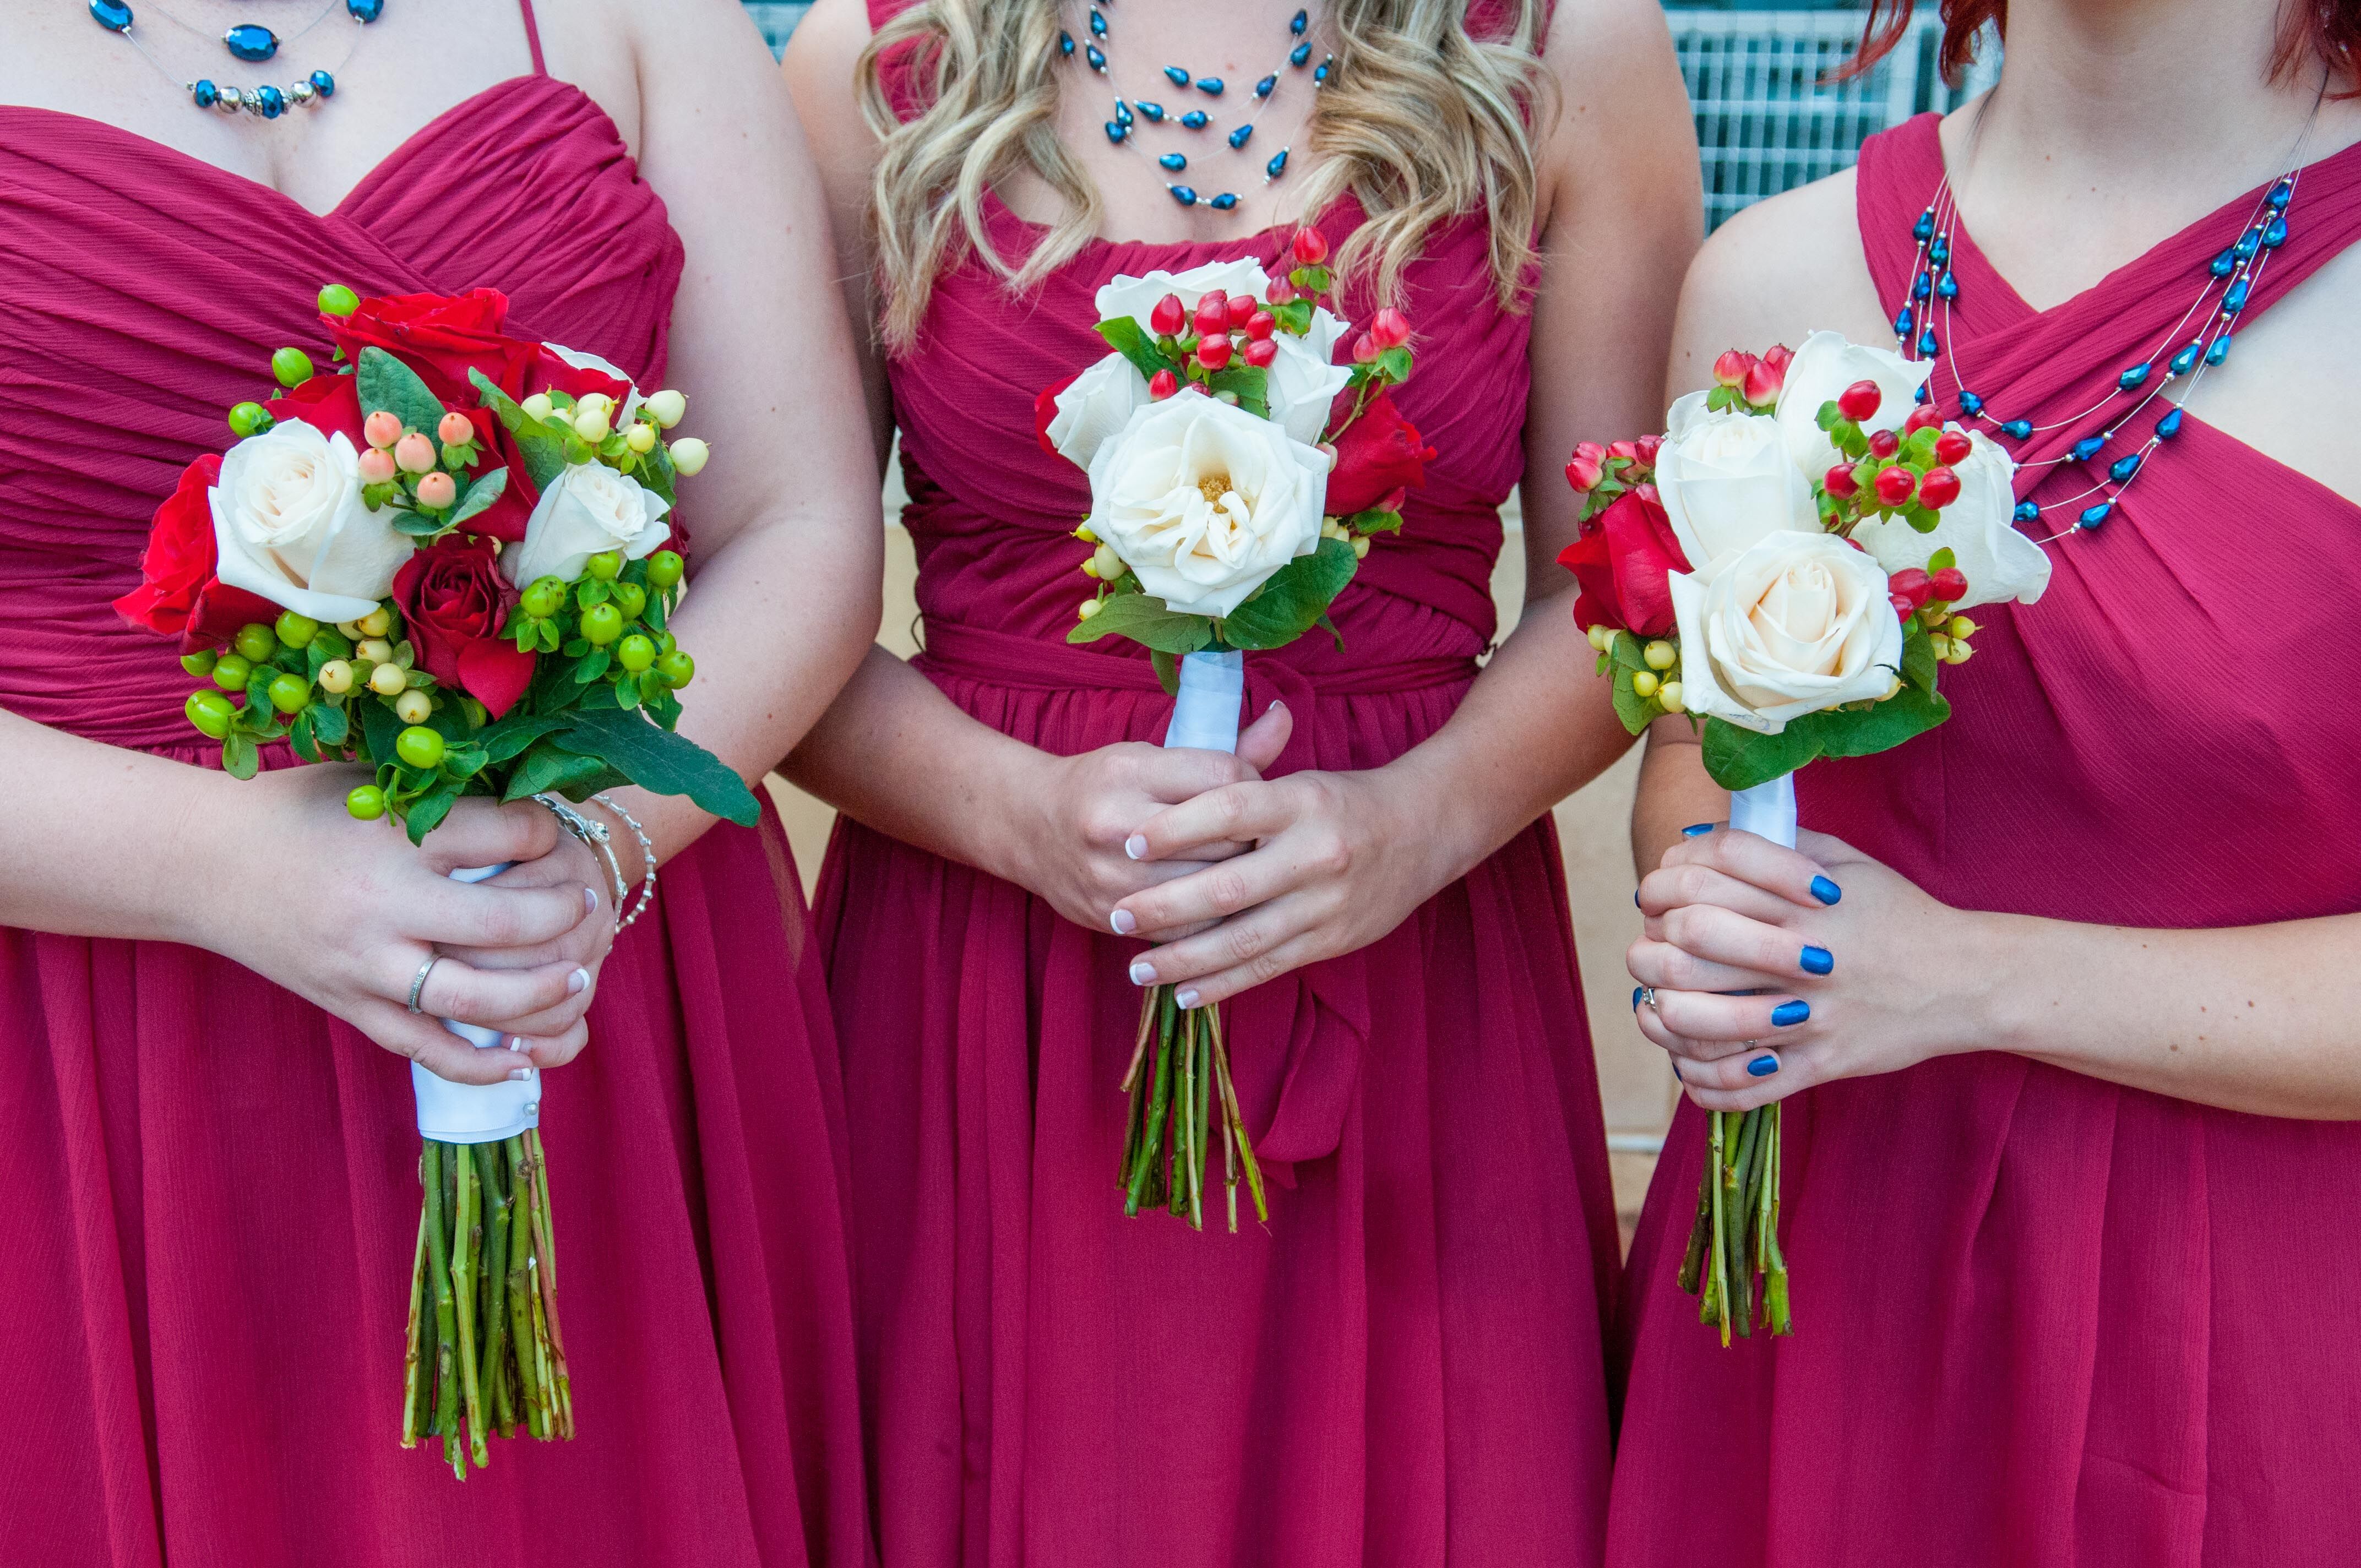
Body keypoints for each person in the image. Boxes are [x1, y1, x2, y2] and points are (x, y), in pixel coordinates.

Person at [780, 0, 1696, 1560]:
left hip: (1413, 968)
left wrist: (1419, 821)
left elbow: (1618, 586)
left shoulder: (1570, 43)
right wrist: (1014, 811)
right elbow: (767, 610)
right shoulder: (872, 55)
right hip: (981, 987)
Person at [0, 1, 879, 1562]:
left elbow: (801, 526)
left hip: (585, 992)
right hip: (98, 1039)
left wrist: (593, 848)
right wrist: (223, 868)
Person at [1610, 0, 2361, 1560]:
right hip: (1806, 1257)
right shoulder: (1770, 275)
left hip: (2239, 1315)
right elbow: (1692, 745)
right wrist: (1725, 933)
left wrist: (1964, 979)